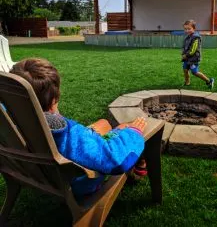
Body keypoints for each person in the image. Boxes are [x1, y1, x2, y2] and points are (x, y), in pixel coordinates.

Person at [10, 58, 147, 199]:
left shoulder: (11, 119)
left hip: (37, 172)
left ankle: (137, 161)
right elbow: (114, 159)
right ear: (53, 101)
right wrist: (133, 132)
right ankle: (139, 166)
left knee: (104, 123)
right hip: (76, 182)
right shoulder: (64, 132)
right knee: (127, 127)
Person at [181, 20, 214, 88]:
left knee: (194, 72)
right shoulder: (188, 37)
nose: (187, 30)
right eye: (185, 29)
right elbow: (185, 46)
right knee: (185, 70)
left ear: (194, 28)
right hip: (187, 58)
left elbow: (193, 50)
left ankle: (209, 81)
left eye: (189, 29)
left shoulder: (196, 37)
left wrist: (186, 55)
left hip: (193, 58)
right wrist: (183, 53)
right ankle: (187, 82)